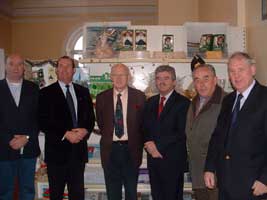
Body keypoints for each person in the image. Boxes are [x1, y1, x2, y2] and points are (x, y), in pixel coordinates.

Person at [204, 52, 267, 200]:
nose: (236, 75)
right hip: (226, 182)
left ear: (252, 70)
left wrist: (265, 178)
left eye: (241, 70)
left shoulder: (264, 98)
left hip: (254, 184)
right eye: (232, 71)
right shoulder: (229, 100)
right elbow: (218, 137)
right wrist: (209, 168)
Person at [39, 56, 95, 200]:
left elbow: (90, 119)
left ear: (74, 70)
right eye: (61, 66)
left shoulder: (83, 91)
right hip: (57, 154)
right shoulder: (45, 93)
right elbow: (43, 121)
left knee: (77, 195)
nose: (64, 69)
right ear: (56, 70)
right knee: (56, 194)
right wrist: (65, 133)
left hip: (78, 154)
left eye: (68, 66)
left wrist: (85, 131)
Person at [96, 63, 146, 200]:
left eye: (122, 75)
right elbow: (102, 123)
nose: (118, 78)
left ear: (128, 77)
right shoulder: (101, 98)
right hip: (110, 151)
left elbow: (143, 124)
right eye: (115, 75)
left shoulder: (140, 97)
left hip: (131, 150)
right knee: (113, 193)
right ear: (111, 77)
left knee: (131, 192)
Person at [143, 65, 190, 200]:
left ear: (174, 81)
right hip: (153, 160)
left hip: (172, 161)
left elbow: (182, 131)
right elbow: (144, 127)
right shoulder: (150, 102)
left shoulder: (184, 103)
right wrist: (148, 143)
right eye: (158, 78)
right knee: (157, 195)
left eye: (166, 78)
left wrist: (157, 146)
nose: (161, 81)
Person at [0, 54, 40, 200]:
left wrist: (27, 137)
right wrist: (9, 139)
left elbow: (39, 118)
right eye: (11, 64)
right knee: (5, 191)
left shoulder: (34, 89)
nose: (15, 68)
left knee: (28, 190)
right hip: (4, 149)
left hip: (28, 148)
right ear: (6, 67)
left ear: (24, 68)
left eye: (19, 64)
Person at [186, 64, 226, 200]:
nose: (201, 84)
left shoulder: (227, 102)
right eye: (197, 80)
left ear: (215, 80)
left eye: (206, 79)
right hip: (197, 173)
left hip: (217, 176)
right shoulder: (193, 102)